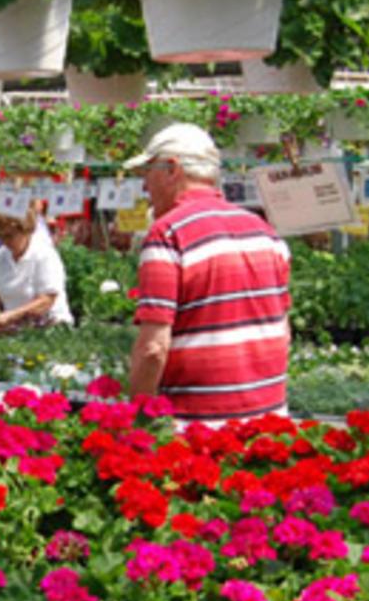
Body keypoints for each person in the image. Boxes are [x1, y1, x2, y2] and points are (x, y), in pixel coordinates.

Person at [125, 122, 291, 422]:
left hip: (197, 428)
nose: (144, 186)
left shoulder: (168, 233)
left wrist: (137, 417)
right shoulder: (265, 232)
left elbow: (153, 347)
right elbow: (283, 330)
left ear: (172, 169)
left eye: (147, 173)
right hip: (268, 422)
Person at [0, 210, 73, 329]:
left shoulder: (44, 254)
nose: (5, 241)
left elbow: (47, 300)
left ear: (26, 230)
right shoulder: (1, 255)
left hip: (51, 329)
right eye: (0, 236)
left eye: (9, 236)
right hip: (15, 330)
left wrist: (11, 316)